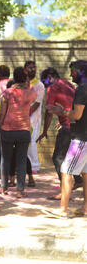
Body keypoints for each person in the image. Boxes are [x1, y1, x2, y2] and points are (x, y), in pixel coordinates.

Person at [43, 60, 87, 219]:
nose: (71, 74)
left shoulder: (82, 90)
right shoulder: (79, 88)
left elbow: (77, 115)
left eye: (74, 71)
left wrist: (62, 111)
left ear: (81, 71)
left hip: (81, 139)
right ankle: (85, 207)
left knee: (66, 170)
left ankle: (63, 209)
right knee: (85, 173)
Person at [36, 67, 83, 199]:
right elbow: (71, 104)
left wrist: (44, 131)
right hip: (76, 126)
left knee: (58, 158)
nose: (45, 86)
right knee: (69, 159)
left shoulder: (53, 87)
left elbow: (49, 112)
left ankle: (65, 192)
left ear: (49, 77)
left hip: (68, 128)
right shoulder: (67, 83)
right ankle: (77, 181)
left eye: (45, 82)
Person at [0, 67, 37, 198]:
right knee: (21, 160)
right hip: (24, 130)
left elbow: (2, 112)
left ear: (14, 77)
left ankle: (4, 187)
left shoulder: (7, 93)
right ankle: (20, 190)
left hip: (8, 129)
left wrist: (1, 123)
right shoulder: (30, 93)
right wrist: (27, 83)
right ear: (25, 78)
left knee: (5, 159)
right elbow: (34, 97)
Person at [25, 60, 45, 183]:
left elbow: (37, 103)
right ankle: (28, 165)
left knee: (32, 141)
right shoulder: (23, 83)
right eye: (30, 67)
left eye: (34, 67)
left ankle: (34, 166)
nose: (33, 69)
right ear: (25, 69)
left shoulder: (39, 85)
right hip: (24, 117)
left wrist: (26, 114)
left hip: (34, 117)